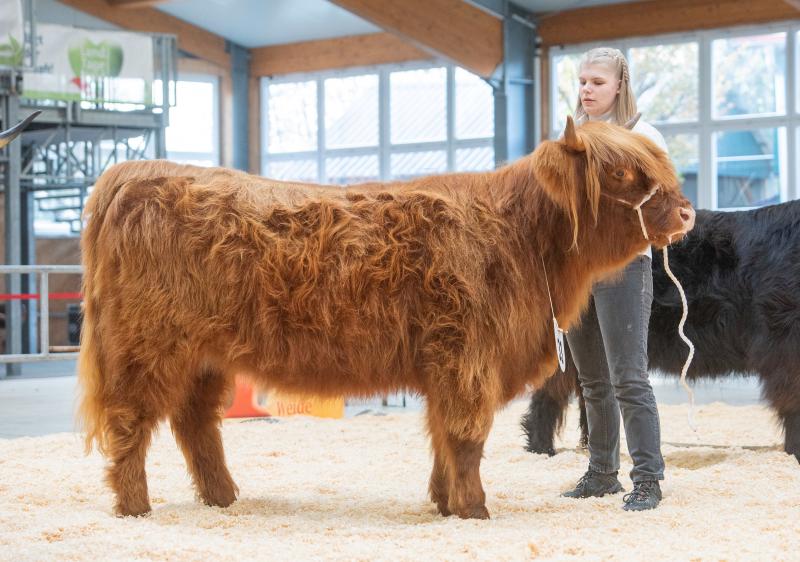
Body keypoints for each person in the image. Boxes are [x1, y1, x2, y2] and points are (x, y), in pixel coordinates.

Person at [560, 47, 669, 511]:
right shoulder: (572, 137)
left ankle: (648, 479)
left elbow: (662, 203)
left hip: (624, 268)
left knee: (629, 378)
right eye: (583, 82)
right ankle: (602, 473)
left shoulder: (643, 137)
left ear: (619, 85)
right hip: (579, 270)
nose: (587, 89)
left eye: (597, 82)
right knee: (592, 381)